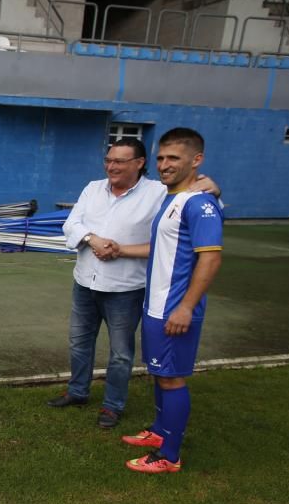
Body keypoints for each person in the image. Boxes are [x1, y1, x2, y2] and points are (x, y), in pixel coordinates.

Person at [50, 139, 220, 429]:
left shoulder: (158, 193)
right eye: (108, 160)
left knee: (120, 353)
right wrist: (93, 239)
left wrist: (215, 189)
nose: (111, 167)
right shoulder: (93, 188)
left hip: (125, 288)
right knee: (79, 343)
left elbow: (189, 216)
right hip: (85, 281)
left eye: (119, 161)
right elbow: (71, 223)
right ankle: (78, 391)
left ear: (139, 163)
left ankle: (112, 405)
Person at [107, 128, 223, 473]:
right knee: (160, 373)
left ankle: (168, 457)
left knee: (172, 378)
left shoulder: (199, 203)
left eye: (173, 158)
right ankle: (160, 433)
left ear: (196, 160)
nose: (164, 165)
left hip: (176, 308)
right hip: (156, 305)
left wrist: (186, 306)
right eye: (160, 158)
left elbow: (211, 258)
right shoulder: (173, 199)